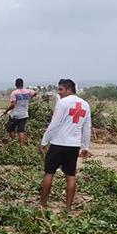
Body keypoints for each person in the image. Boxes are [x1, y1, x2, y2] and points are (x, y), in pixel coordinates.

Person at [39, 79, 91, 209]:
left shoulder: (63, 103)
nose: (60, 93)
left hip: (58, 143)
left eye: (61, 90)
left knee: (49, 173)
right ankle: (68, 207)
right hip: (73, 146)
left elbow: (54, 123)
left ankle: (43, 204)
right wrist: (85, 147)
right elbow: (87, 127)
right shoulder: (85, 105)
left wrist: (44, 141)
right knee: (71, 175)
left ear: (69, 89)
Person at [5, 78, 37, 145]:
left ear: (15, 84)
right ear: (23, 84)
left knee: (10, 129)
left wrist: (6, 111)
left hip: (15, 115)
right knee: (21, 131)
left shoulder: (14, 93)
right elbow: (35, 93)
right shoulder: (28, 91)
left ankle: (14, 143)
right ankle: (21, 145)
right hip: (24, 115)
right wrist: (31, 97)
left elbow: (13, 105)